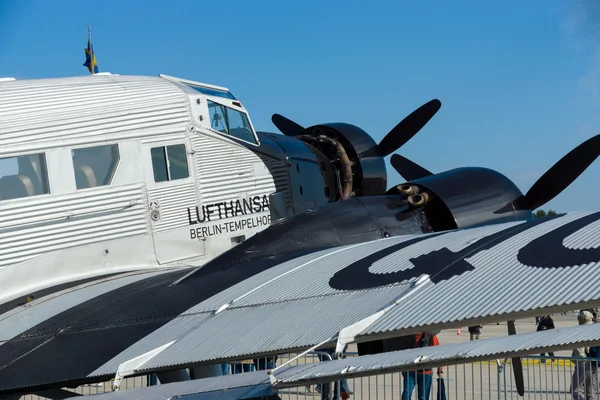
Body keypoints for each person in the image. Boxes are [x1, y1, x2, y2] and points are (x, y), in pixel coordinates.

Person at [402, 332, 444, 400]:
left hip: (425, 372)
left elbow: (438, 353)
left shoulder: (431, 336)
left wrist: (440, 369)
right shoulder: (408, 336)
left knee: (423, 397)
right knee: (406, 395)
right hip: (410, 371)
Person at [571, 311, 598, 400]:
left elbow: (580, 350)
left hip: (584, 362)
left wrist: (580, 361)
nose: (578, 320)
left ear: (583, 319)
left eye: (579, 318)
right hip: (594, 363)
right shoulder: (594, 329)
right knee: (591, 391)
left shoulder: (581, 330)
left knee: (575, 390)